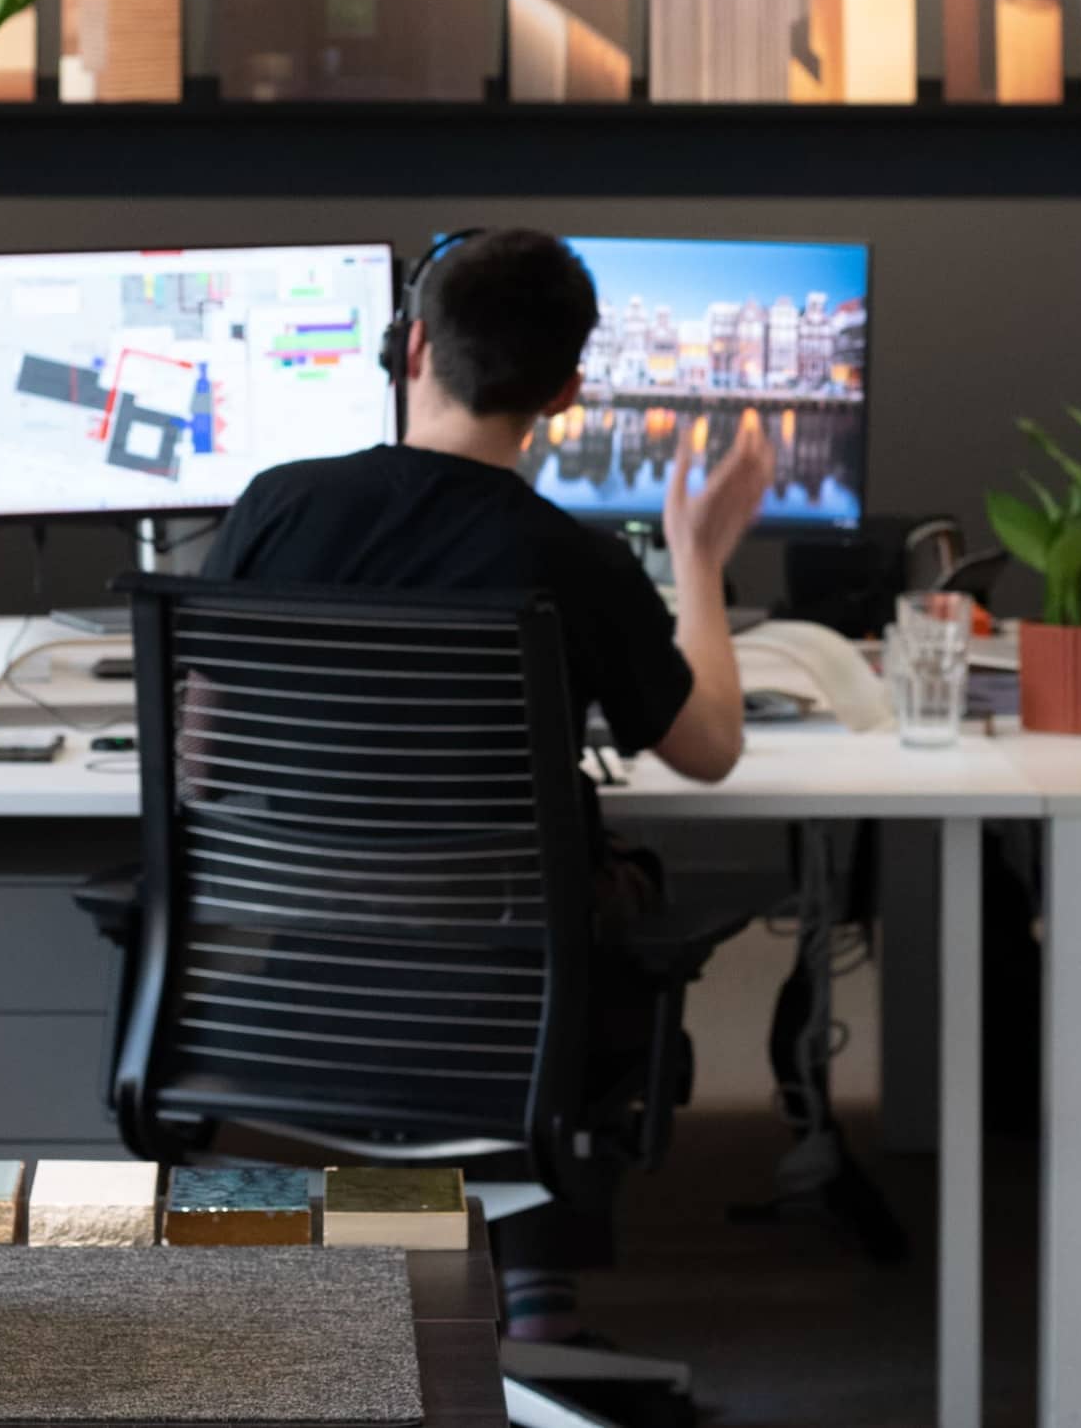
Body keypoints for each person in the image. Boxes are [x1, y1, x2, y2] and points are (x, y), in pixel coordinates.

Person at [196, 226, 771, 1341]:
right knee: (611, 894)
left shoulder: (274, 508)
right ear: (564, 392)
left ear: (408, 348)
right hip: (508, 1001)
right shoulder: (577, 560)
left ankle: (452, 1277)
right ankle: (534, 1296)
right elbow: (708, 746)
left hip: (308, 982)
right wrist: (697, 557)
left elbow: (205, 760)